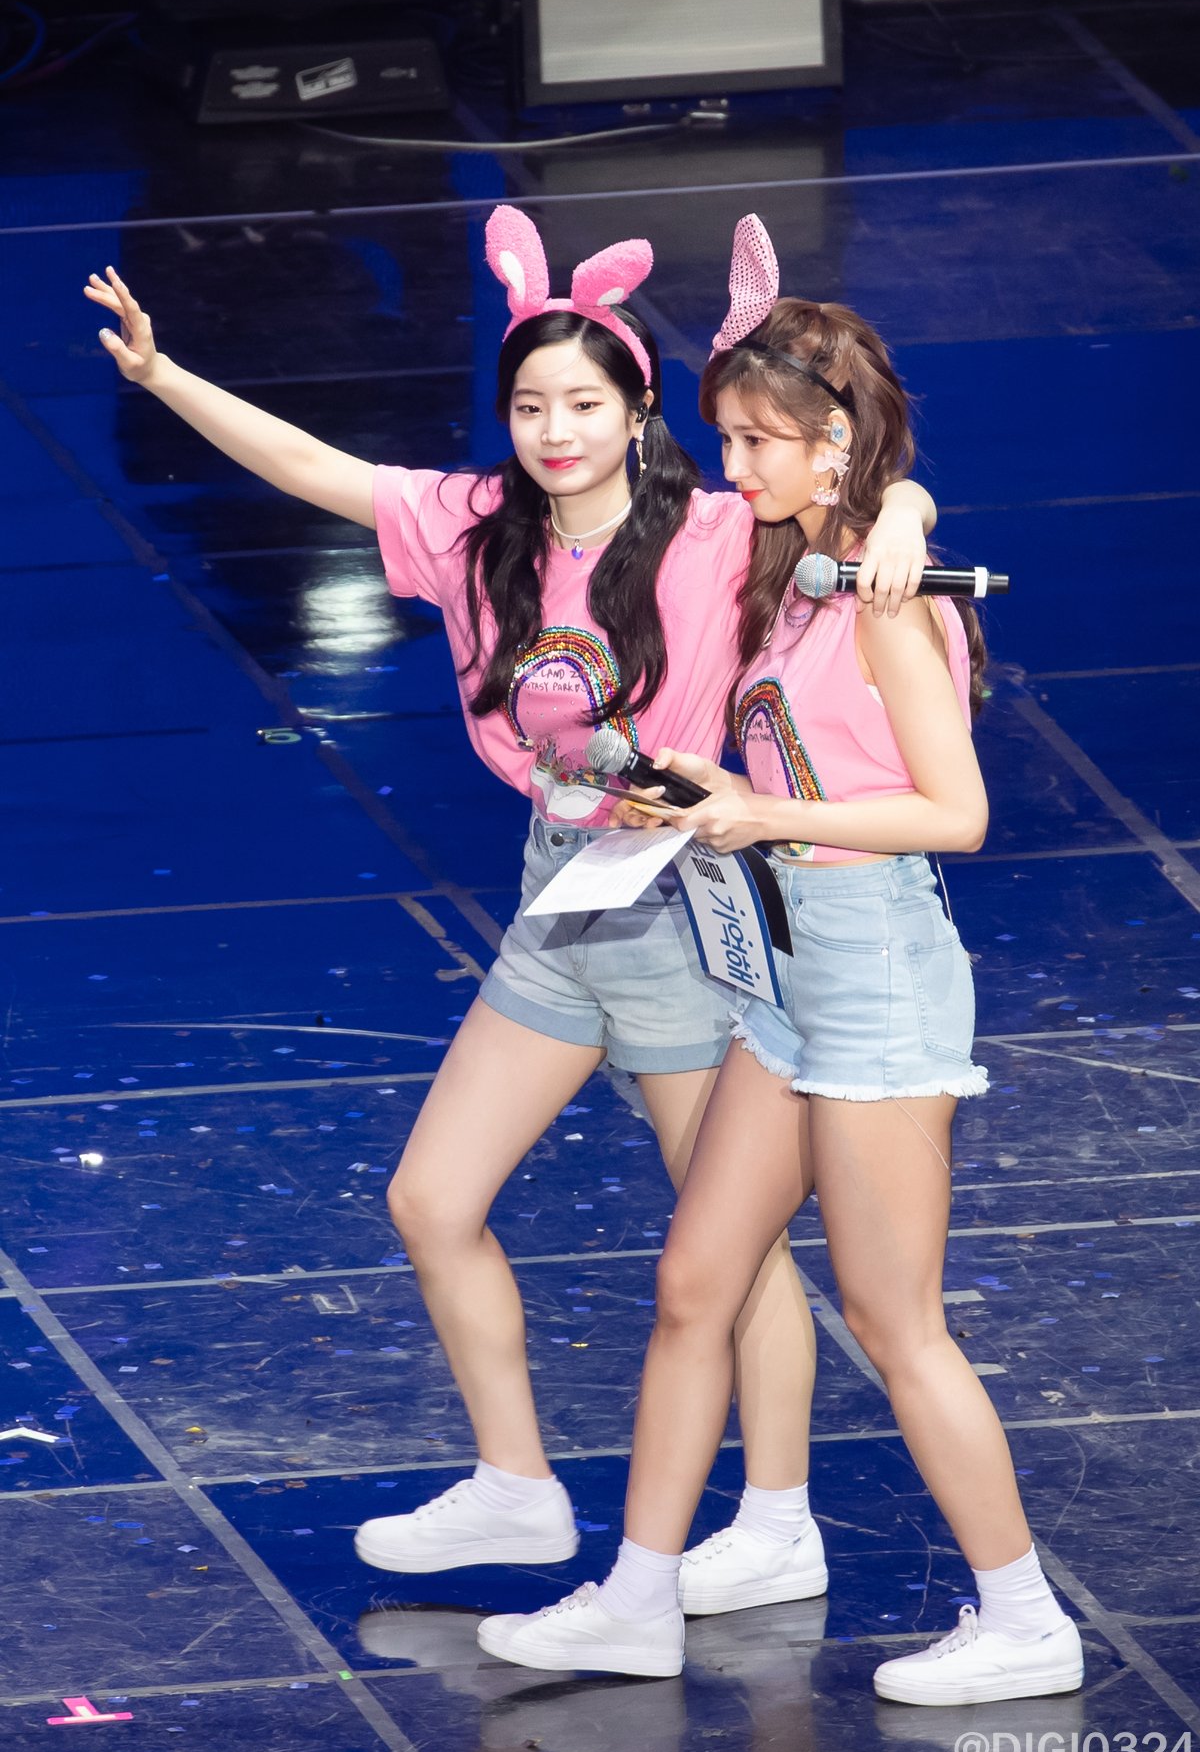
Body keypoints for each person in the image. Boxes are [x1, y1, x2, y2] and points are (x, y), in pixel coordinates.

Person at [84, 212, 935, 1610]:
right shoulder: (475, 527)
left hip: (681, 907)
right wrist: (163, 375)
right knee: (432, 1198)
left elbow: (873, 499)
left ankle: (780, 1519)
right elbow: (317, 470)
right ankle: (517, 1489)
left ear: (637, 410)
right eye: (531, 405)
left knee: (723, 1246)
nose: (555, 431)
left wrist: (902, 512)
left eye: (584, 404)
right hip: (559, 899)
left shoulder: (719, 530)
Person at [477, 216, 1084, 1706]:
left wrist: (764, 813)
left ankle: (1025, 1617)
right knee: (697, 1276)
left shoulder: (891, 605)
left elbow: (956, 815)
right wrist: (706, 792)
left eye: (758, 442)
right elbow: (790, 740)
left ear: (833, 446)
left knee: (891, 1318)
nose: (731, 467)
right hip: (782, 977)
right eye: (730, 437)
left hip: (873, 975)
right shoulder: (786, 568)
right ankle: (636, 1598)